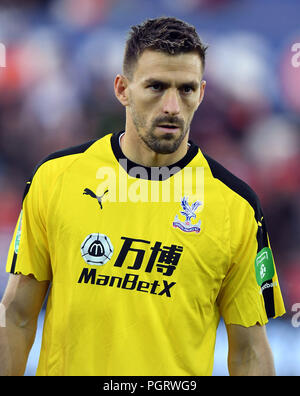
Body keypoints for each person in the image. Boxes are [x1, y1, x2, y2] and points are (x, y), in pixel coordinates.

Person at [0, 16, 285, 376]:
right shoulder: (56, 177)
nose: (171, 106)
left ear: (201, 93)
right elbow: (17, 314)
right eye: (156, 86)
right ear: (122, 89)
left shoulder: (236, 206)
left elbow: (249, 351)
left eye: (186, 89)